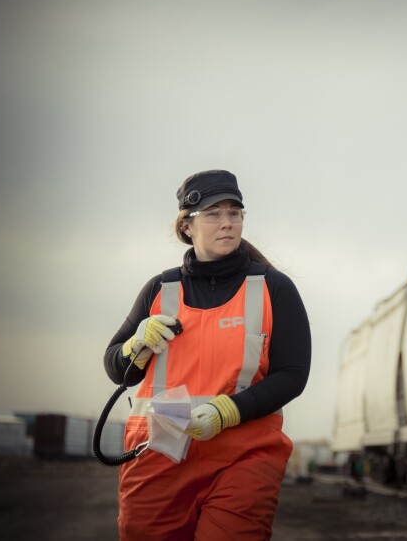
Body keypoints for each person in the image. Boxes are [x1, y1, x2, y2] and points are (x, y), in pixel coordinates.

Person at [103, 169, 311, 540]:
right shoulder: (159, 290)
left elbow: (293, 373)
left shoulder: (274, 288)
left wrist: (227, 410)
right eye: (214, 214)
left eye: (235, 213)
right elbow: (117, 369)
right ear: (187, 226)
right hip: (161, 450)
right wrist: (135, 346)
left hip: (244, 451)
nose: (227, 223)